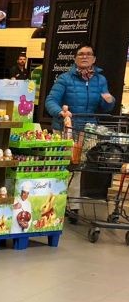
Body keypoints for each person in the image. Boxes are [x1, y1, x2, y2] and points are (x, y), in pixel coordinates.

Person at [44, 43, 115, 212]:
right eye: (81, 54)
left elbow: (105, 107)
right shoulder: (65, 79)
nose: (84, 56)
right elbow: (50, 101)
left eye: (88, 54)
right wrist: (61, 112)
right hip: (65, 129)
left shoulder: (100, 79)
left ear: (94, 59)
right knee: (63, 166)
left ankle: (72, 206)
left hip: (86, 130)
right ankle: (54, 203)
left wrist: (108, 101)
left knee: (78, 167)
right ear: (75, 58)